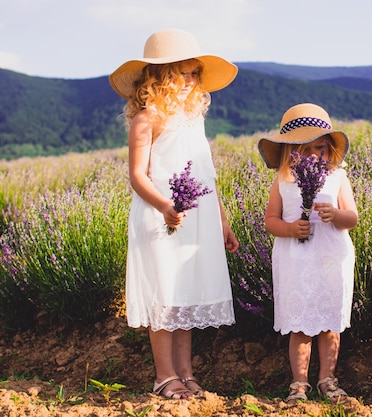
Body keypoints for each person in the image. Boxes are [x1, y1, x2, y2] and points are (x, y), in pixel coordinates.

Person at [109, 28, 239, 400]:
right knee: (164, 295)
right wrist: (165, 206)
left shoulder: (195, 120)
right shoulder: (146, 119)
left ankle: (186, 372)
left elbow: (206, 175)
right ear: (159, 77)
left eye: (194, 73)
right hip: (158, 214)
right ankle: (164, 376)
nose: (190, 80)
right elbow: (137, 176)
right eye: (182, 72)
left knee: (184, 295)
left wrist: (222, 222)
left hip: (196, 216)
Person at [258, 103, 359, 403]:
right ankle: (299, 384)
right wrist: (291, 229)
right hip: (296, 261)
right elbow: (270, 220)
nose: (318, 155)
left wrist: (336, 214)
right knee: (300, 324)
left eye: (323, 149)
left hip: (331, 256)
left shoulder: (338, 177)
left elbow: (352, 218)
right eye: (311, 149)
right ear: (293, 151)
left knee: (329, 323)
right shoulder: (283, 180)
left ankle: (327, 379)